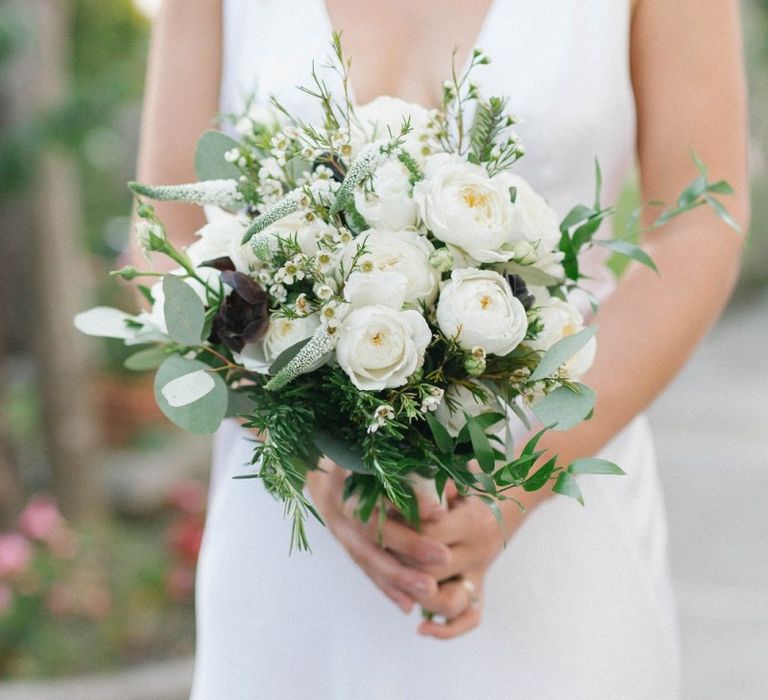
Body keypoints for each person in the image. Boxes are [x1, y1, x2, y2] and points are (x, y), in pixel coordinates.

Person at [132, 1, 749, 697]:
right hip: (294, 541)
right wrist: (312, 458)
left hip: (554, 524)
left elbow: (695, 225)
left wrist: (519, 482)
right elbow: (166, 233)